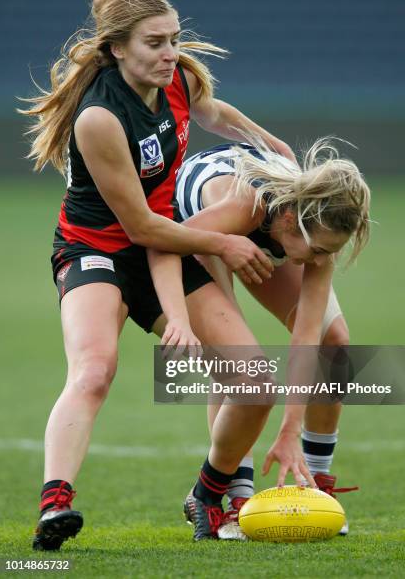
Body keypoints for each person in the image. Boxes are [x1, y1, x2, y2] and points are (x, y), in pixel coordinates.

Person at [19, 0, 304, 550]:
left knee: (254, 382)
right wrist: (225, 245)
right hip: (97, 249)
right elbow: (140, 229)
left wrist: (273, 147)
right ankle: (56, 504)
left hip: (165, 244)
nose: (170, 52)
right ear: (118, 48)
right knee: (95, 369)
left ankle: (208, 492)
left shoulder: (177, 78)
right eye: (155, 42)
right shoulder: (98, 117)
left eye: (174, 39)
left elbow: (214, 111)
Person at [147, 138, 370, 540]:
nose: (320, 262)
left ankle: (314, 485)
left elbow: (307, 338)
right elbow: (163, 240)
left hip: (258, 229)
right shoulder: (245, 205)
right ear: (290, 221)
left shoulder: (318, 228)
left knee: (334, 341)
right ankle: (235, 499)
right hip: (197, 227)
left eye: (329, 253)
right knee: (238, 365)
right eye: (318, 250)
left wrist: (289, 431)